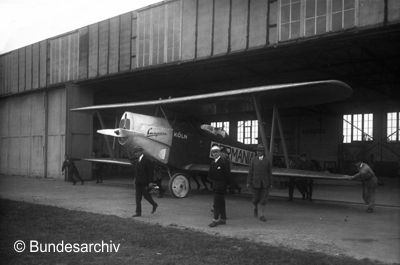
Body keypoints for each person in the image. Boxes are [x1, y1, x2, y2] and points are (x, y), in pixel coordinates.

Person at [129, 147, 158, 217]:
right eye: (135, 152)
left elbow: (150, 172)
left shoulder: (147, 160)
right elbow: (137, 172)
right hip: (138, 182)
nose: (135, 154)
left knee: (146, 196)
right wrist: (135, 179)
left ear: (141, 152)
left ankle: (154, 204)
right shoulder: (137, 160)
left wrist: (150, 182)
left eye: (136, 152)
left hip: (144, 182)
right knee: (138, 198)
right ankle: (138, 213)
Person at [247, 144, 272, 222]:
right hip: (255, 182)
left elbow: (269, 173)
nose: (259, 152)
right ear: (256, 152)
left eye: (261, 151)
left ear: (263, 152)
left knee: (263, 199)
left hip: (265, 183)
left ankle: (262, 215)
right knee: (255, 199)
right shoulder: (253, 160)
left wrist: (270, 183)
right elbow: (250, 172)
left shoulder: (267, 161)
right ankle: (255, 207)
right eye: (258, 151)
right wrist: (248, 182)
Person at [208, 145, 231, 227]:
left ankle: (215, 220)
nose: (215, 154)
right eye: (213, 152)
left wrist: (227, 185)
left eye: (216, 152)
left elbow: (227, 175)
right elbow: (210, 175)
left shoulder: (223, 162)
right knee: (221, 203)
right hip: (215, 185)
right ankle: (223, 219)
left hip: (221, 186)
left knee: (216, 203)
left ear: (219, 152)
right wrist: (213, 183)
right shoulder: (212, 163)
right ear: (212, 154)